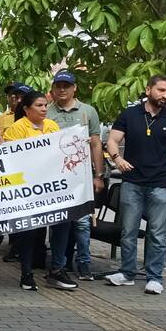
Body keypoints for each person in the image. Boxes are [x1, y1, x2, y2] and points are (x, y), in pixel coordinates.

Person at [104, 74, 166, 293]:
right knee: (128, 230)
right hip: (132, 181)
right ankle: (127, 273)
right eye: (161, 90)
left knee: (157, 233)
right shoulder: (130, 115)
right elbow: (112, 140)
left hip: (160, 183)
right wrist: (117, 159)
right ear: (148, 90)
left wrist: (159, 165)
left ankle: (155, 277)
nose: (165, 95)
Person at [2, 90, 74, 291]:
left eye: (45, 105)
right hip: (29, 189)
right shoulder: (16, 129)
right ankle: (26, 274)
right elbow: (13, 159)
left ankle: (57, 269)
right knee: (30, 230)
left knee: (62, 223)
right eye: (39, 105)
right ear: (26, 109)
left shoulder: (52, 126)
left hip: (52, 186)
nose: (44, 109)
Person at [47, 71, 105, 280]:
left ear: (74, 88)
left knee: (82, 222)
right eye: (58, 86)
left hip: (81, 177)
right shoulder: (46, 112)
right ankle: (59, 265)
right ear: (53, 88)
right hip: (55, 177)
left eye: (67, 86)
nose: (62, 89)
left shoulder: (88, 111)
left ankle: (84, 263)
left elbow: (96, 144)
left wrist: (99, 175)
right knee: (58, 223)